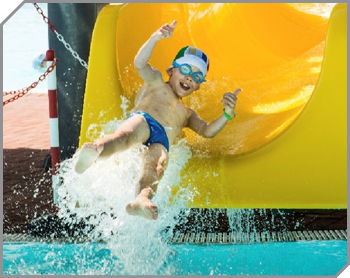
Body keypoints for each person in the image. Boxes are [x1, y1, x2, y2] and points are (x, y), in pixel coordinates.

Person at [74, 20, 241, 220]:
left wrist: (227, 113)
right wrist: (155, 38)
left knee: (155, 168)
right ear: (171, 71)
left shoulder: (187, 114)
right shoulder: (155, 81)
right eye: (186, 70)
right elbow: (140, 63)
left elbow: (208, 131)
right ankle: (96, 151)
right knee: (124, 137)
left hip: (161, 141)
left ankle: (141, 200)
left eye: (197, 77)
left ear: (198, 87)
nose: (189, 78)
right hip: (144, 121)